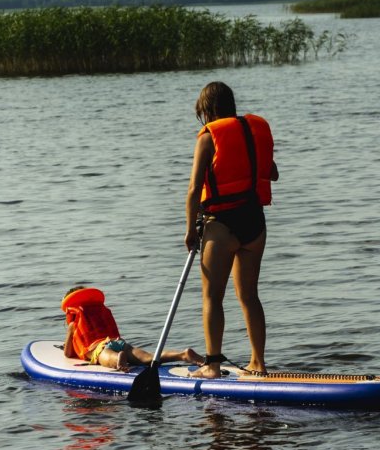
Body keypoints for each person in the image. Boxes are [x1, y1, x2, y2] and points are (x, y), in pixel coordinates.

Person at [185, 81, 279, 379]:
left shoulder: (208, 138)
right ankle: (258, 364)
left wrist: (189, 231)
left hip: (222, 224)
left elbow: (193, 190)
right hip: (255, 223)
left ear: (207, 111)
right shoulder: (250, 132)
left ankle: (212, 366)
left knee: (212, 297)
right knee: (249, 295)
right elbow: (271, 173)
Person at [61, 286, 204, 371]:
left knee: (106, 358)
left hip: (100, 349)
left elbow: (68, 353)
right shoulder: (101, 312)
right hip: (119, 342)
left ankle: (118, 359)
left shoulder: (75, 323)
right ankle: (183, 355)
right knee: (148, 358)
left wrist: (70, 333)